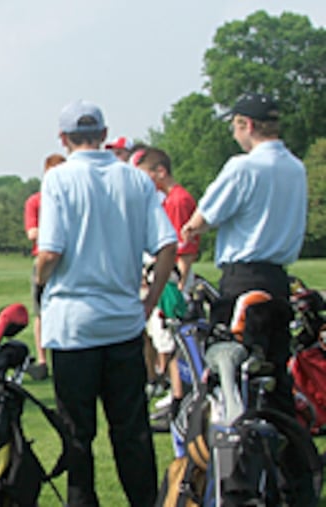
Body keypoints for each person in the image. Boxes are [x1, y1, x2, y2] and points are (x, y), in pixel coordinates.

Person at [36, 100, 177, 506]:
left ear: (64, 139)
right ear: (103, 134)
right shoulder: (136, 180)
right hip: (123, 323)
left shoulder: (58, 179)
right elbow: (167, 246)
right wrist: (148, 303)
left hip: (73, 325)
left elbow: (50, 253)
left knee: (77, 437)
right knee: (131, 432)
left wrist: (39, 280)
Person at [182, 92, 307, 418]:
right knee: (274, 372)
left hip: (243, 278)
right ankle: (288, 459)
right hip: (278, 278)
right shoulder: (296, 168)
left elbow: (202, 219)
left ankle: (236, 454)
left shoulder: (243, 167)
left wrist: (188, 229)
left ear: (246, 125)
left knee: (230, 371)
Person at [137, 147, 200, 409]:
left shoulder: (177, 200)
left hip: (173, 281)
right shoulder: (168, 199)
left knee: (172, 337)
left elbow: (182, 248)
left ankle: (179, 394)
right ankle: (175, 390)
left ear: (160, 172)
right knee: (162, 336)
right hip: (165, 277)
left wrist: (180, 286)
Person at [23, 153, 66, 381]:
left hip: (68, 261)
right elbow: (32, 232)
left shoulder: (70, 198)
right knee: (40, 312)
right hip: (42, 258)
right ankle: (42, 360)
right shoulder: (36, 201)